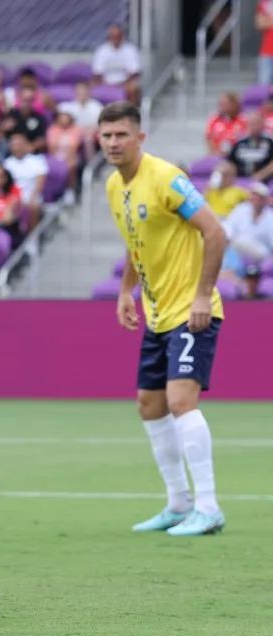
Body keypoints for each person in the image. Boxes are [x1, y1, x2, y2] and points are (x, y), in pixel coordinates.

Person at [99, 101, 228, 536]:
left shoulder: (166, 178)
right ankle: (178, 503)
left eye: (121, 134)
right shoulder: (114, 186)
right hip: (158, 315)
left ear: (140, 137)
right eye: (107, 135)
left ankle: (208, 507)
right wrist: (125, 290)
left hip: (191, 312)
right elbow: (136, 241)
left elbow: (215, 232)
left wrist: (203, 296)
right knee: (149, 404)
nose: (113, 142)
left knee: (180, 402)